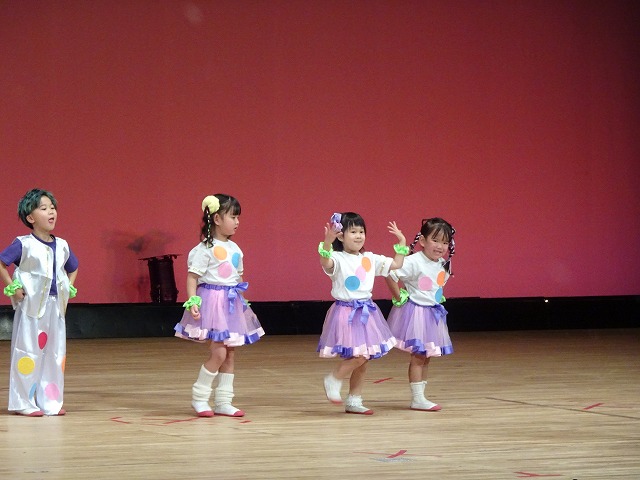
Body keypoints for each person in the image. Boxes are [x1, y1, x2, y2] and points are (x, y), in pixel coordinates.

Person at [174, 194, 264, 418]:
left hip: (230, 304)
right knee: (219, 353)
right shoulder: (205, 248)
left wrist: (240, 302)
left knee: (230, 354)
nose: (237, 222)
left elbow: (237, 276)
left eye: (238, 217)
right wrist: (193, 301)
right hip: (212, 304)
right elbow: (193, 277)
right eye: (233, 217)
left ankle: (224, 401)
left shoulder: (235, 248)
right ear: (216, 219)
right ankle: (200, 397)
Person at [318, 211, 407, 415]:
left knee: (364, 360)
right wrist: (327, 242)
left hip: (367, 312)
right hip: (346, 313)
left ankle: (354, 400)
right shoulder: (338, 258)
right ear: (341, 236)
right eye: (353, 232)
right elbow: (326, 262)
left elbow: (395, 265)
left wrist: (401, 242)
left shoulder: (370, 258)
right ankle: (334, 377)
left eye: (361, 231)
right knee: (360, 355)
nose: (358, 236)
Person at [0, 188, 79, 417]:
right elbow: (2, 263)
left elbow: (73, 267)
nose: (51, 212)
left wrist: (68, 287)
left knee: (55, 354)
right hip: (32, 308)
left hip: (56, 308)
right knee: (28, 352)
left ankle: (50, 402)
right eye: (43, 208)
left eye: (52, 208)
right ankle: (24, 401)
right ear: (31, 217)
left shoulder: (62, 245)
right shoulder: (23, 244)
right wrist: (13, 288)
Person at [385, 217, 456, 412]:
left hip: (432, 314)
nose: (440, 246)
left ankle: (421, 396)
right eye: (435, 240)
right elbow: (391, 275)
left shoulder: (442, 263)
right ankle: (417, 398)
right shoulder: (413, 261)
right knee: (419, 356)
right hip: (416, 314)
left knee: (427, 356)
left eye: (445, 242)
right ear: (423, 241)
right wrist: (399, 297)